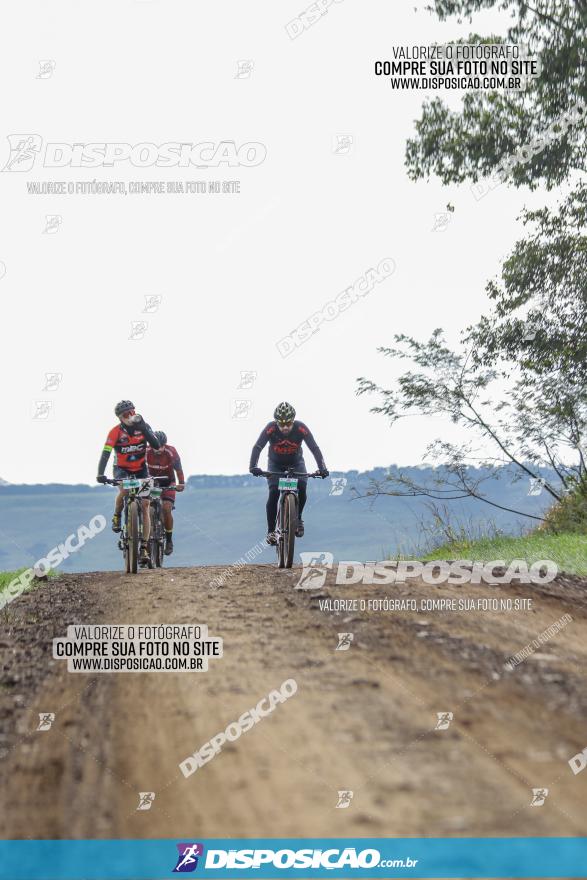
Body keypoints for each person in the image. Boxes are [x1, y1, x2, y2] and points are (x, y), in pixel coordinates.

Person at [249, 401, 329, 544]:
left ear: (293, 421)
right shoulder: (271, 428)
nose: (285, 427)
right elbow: (257, 447)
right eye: (281, 424)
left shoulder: (301, 428)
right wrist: (253, 466)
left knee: (302, 486)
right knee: (273, 492)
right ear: (276, 423)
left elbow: (314, 448)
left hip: (296, 463)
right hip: (275, 464)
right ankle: (271, 532)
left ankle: (298, 519)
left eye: (288, 424)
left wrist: (322, 468)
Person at [96, 400, 160, 564]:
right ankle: (117, 515)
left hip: (140, 468)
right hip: (122, 469)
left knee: (145, 504)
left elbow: (156, 445)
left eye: (132, 412)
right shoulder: (115, 432)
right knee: (124, 491)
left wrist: (144, 428)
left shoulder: (143, 426)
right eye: (126, 414)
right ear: (120, 418)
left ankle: (144, 547)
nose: (131, 416)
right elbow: (106, 453)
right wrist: (100, 473)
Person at [146, 431, 185, 555]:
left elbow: (178, 469)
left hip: (168, 482)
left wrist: (181, 483)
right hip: (151, 482)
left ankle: (169, 540)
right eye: (155, 446)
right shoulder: (145, 451)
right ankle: (145, 540)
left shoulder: (171, 451)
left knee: (166, 508)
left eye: (161, 446)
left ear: (165, 444)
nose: (158, 449)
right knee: (146, 506)